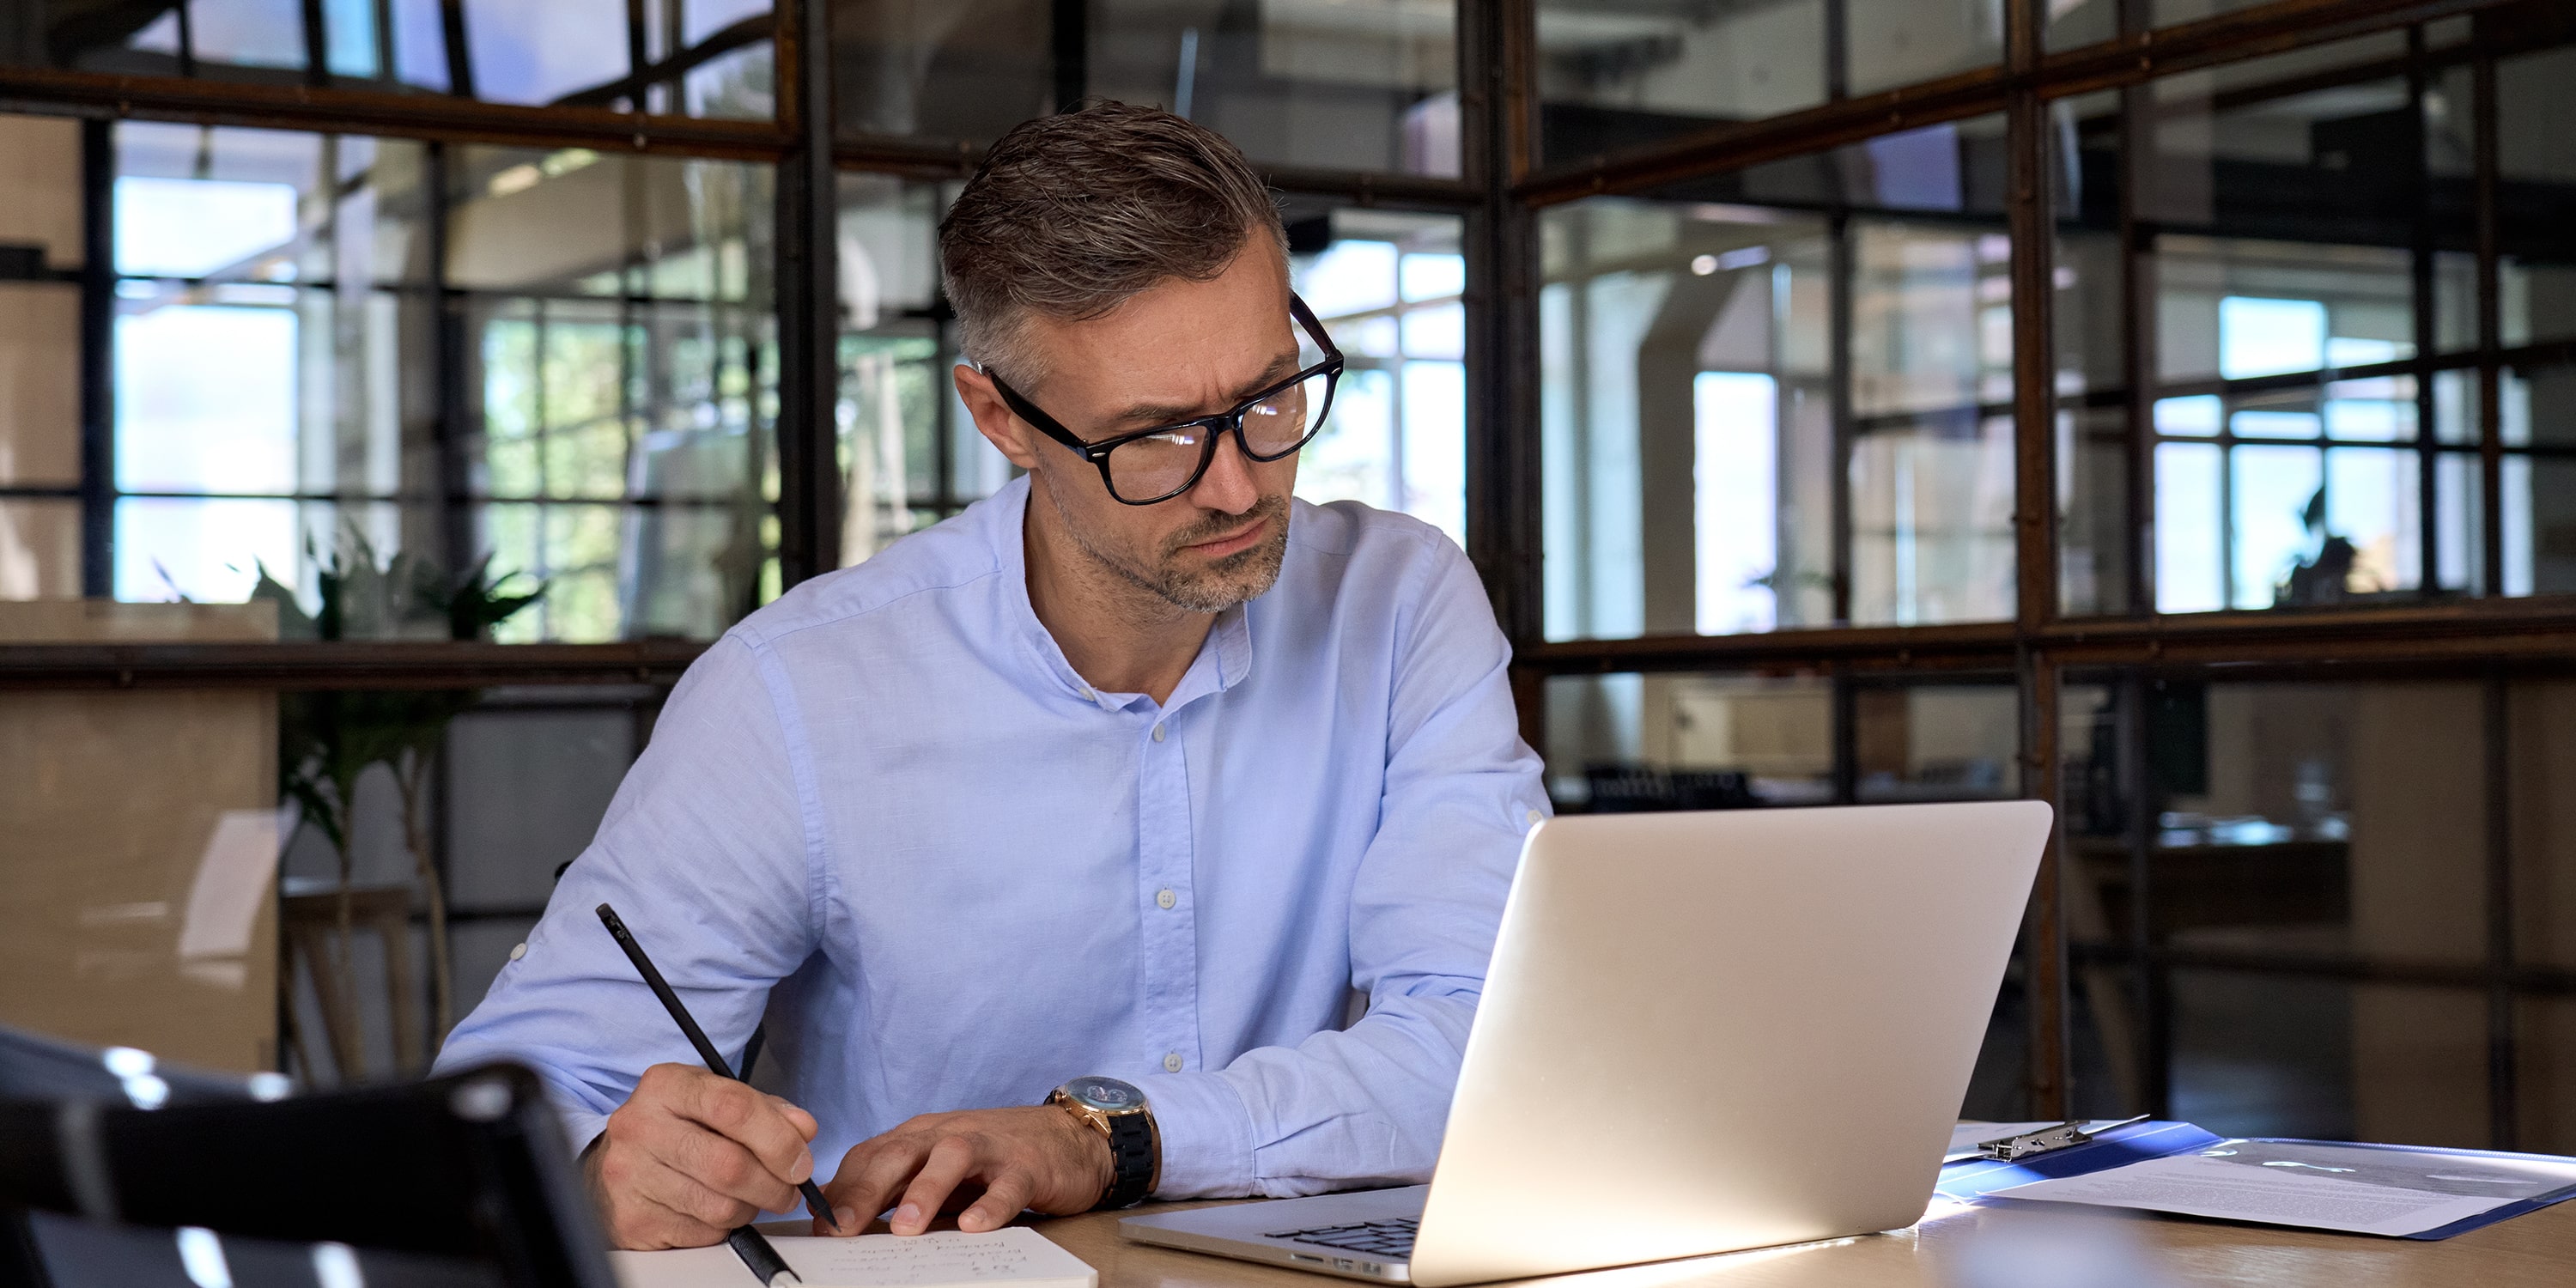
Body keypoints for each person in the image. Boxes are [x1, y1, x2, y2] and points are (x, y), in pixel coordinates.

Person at [434, 100, 1546, 1251]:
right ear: (1000, 418)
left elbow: (1490, 1040)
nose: (1238, 486)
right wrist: (599, 1164)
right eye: (1157, 436)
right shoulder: (799, 694)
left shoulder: (1400, 600)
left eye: (1268, 396)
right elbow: (512, 1100)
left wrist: (1108, 1138)